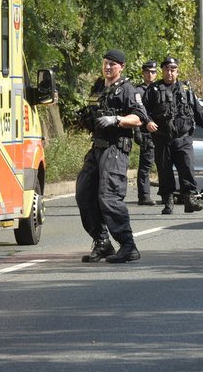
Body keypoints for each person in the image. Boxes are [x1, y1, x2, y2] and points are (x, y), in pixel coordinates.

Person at [75, 49, 148, 263]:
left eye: (113, 64)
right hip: (97, 148)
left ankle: (128, 245)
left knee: (109, 196)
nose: (108, 67)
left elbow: (139, 118)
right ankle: (102, 242)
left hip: (115, 148)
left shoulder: (128, 89)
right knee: (84, 194)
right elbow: (91, 111)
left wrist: (116, 119)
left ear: (121, 67)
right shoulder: (99, 87)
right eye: (106, 63)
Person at [144, 56, 203, 215]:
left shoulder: (186, 89)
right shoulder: (153, 89)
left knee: (187, 168)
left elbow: (197, 109)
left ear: (177, 71)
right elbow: (142, 110)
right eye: (167, 69)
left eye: (173, 69)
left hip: (183, 137)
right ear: (162, 71)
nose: (170, 72)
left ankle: (189, 200)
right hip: (162, 138)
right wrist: (147, 121)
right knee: (164, 170)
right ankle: (168, 202)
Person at [134, 61, 159, 205]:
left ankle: (168, 193)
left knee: (163, 164)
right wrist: (137, 131)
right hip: (146, 132)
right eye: (148, 72)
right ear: (143, 73)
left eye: (153, 72)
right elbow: (136, 112)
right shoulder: (139, 91)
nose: (150, 74)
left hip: (160, 132)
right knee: (146, 165)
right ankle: (144, 196)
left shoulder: (159, 88)